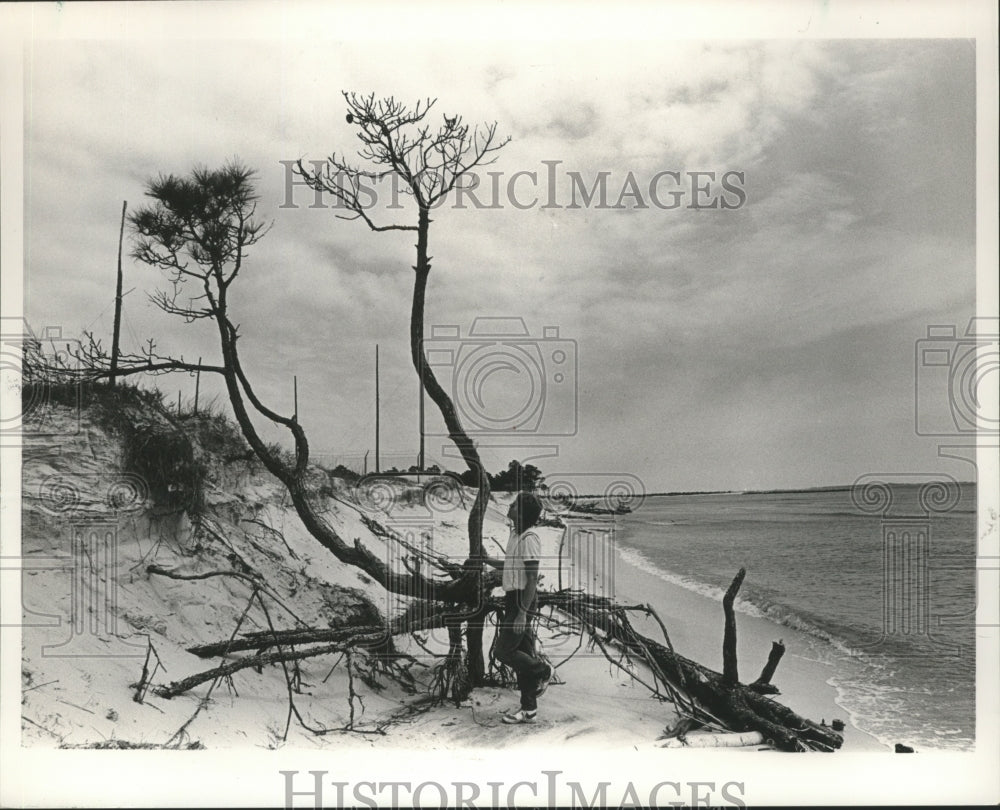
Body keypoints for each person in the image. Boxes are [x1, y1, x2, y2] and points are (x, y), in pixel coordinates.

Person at [495, 491, 552, 724]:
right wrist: (486, 560)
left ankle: (543, 670)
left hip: (522, 601)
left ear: (523, 512)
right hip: (513, 599)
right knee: (524, 655)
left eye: (515, 504)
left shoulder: (529, 538)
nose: (511, 506)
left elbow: (531, 580)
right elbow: (510, 564)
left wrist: (522, 614)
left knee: (503, 651)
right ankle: (529, 710)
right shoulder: (515, 534)